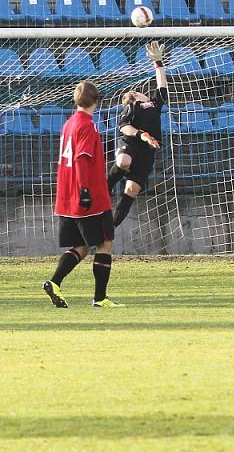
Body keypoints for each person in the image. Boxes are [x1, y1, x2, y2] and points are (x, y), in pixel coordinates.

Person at [42, 81, 122, 308]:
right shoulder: (87, 125)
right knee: (105, 242)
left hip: (66, 197)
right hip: (88, 197)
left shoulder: (68, 124)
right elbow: (82, 159)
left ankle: (54, 282)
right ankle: (100, 298)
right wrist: (86, 191)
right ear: (97, 101)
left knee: (82, 245)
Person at [107, 41, 167, 226]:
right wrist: (142, 134)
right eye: (135, 93)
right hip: (131, 143)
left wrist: (158, 62)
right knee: (124, 161)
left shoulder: (155, 104)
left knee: (132, 189)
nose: (139, 94)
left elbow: (162, 86)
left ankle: (109, 228)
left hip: (147, 151)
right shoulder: (133, 106)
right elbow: (124, 127)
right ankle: (105, 186)